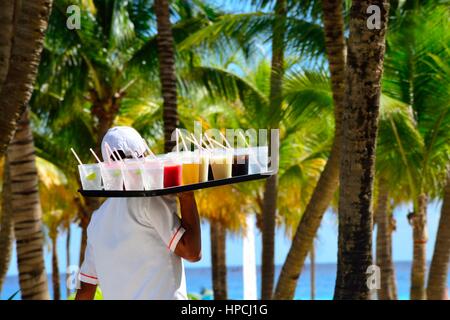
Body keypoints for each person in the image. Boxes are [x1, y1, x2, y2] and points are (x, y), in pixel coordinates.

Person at [75, 126, 201, 300]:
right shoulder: (151, 199)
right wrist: (187, 195)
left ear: (107, 166)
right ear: (145, 155)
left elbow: (85, 291)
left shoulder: (98, 219)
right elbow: (192, 252)